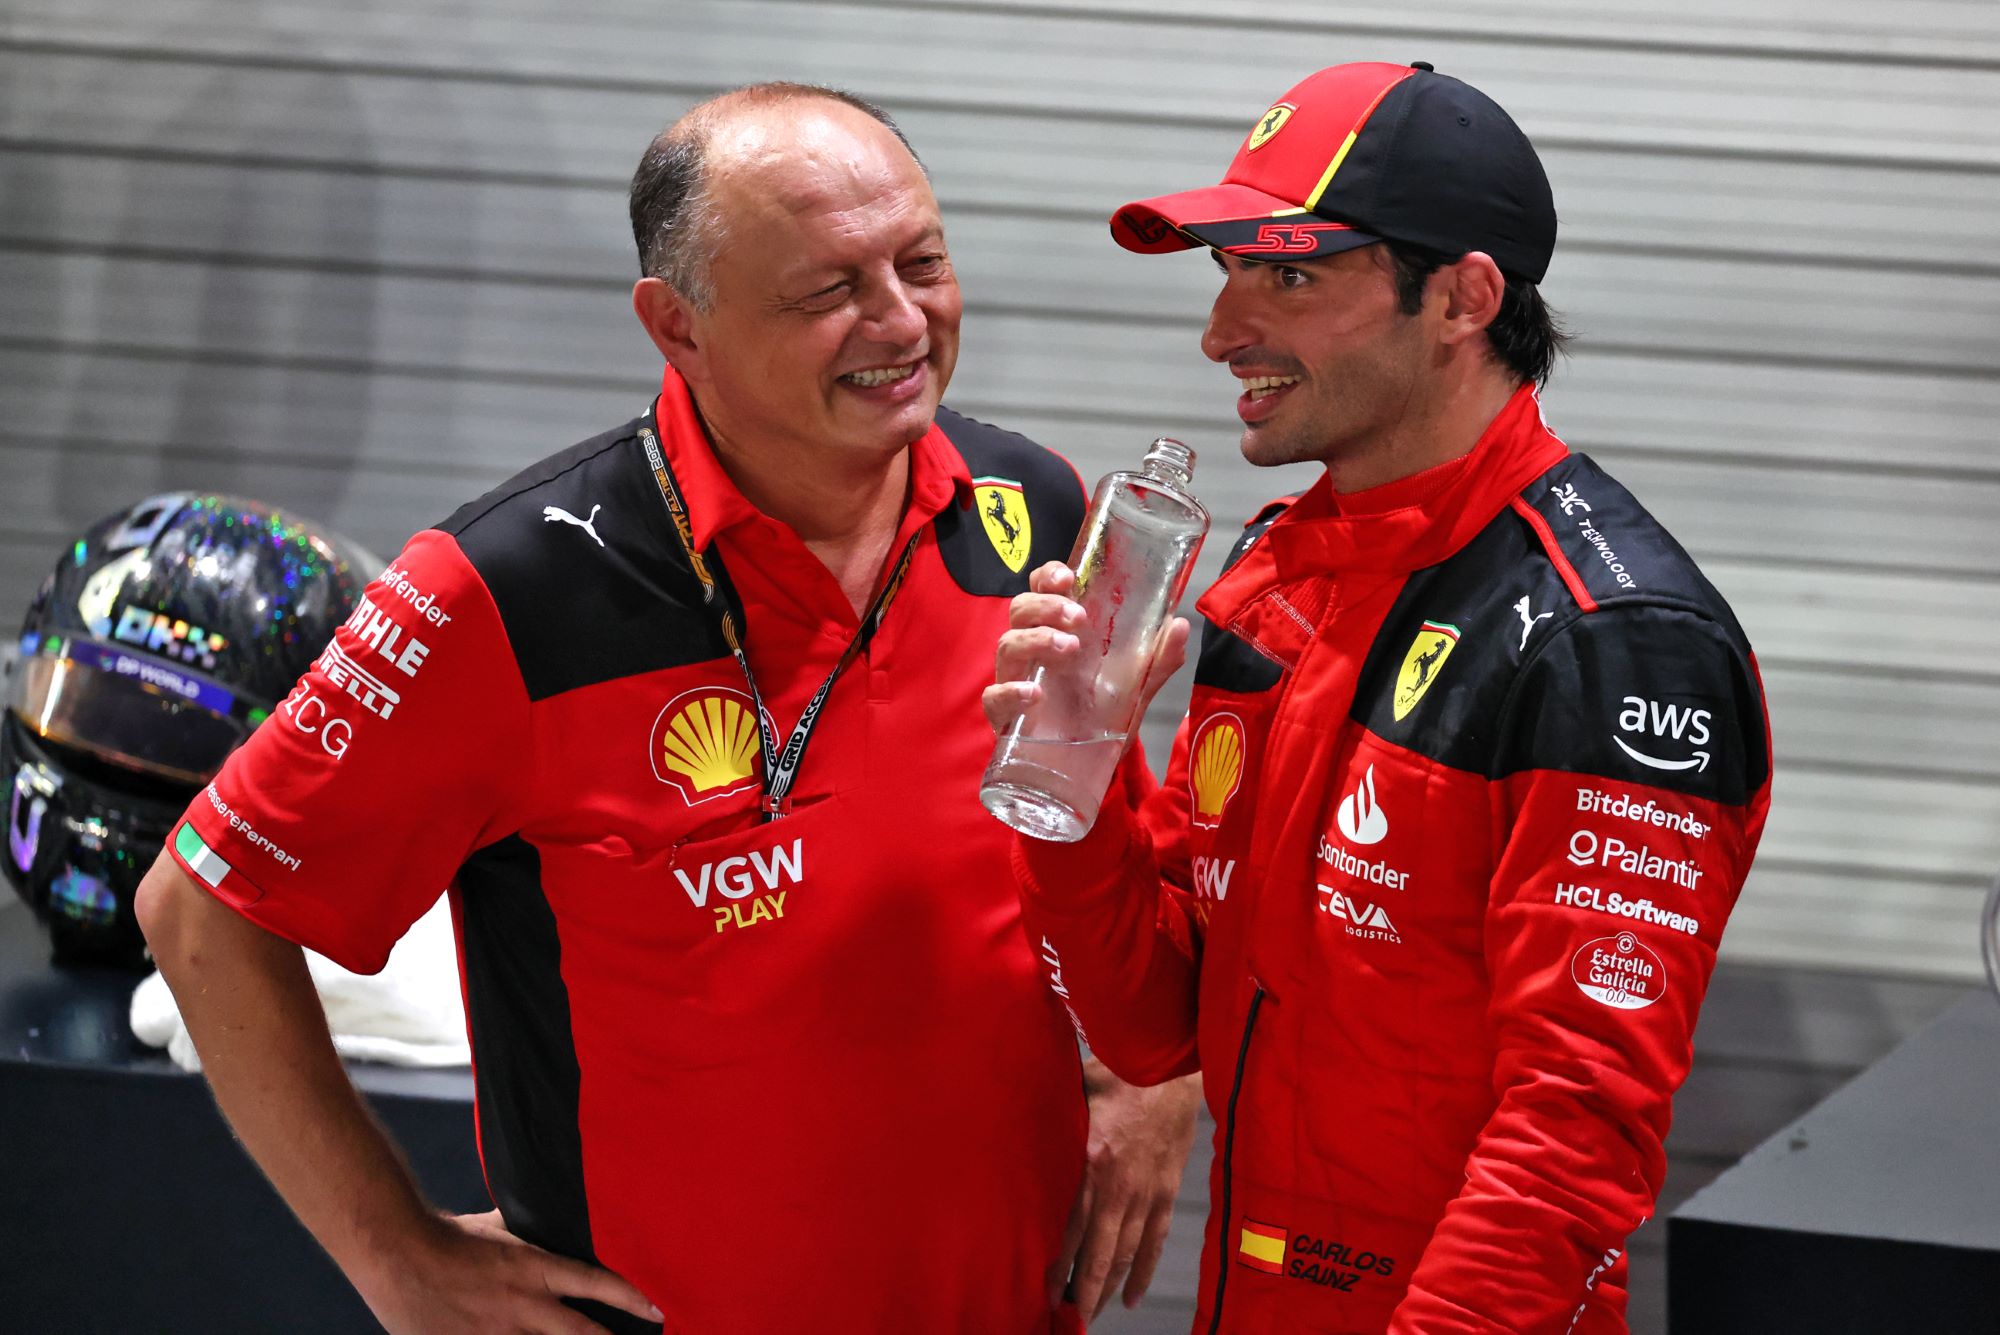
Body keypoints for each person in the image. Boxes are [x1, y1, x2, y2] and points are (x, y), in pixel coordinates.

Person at [135, 82, 1199, 1335]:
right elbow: (201, 909)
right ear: (676, 325)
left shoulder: (1035, 504)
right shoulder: (505, 590)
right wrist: (392, 1253)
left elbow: (1100, 848)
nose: (900, 320)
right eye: (828, 289)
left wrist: (1149, 1078)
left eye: (921, 263)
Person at [987, 61, 1772, 1333]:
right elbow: (1153, 1026)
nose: (1221, 332)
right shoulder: (1274, 577)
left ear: (1462, 299)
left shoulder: (1615, 642)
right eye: (1225, 273)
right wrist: (1073, 780)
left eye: (1289, 278)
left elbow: (1573, 1135)